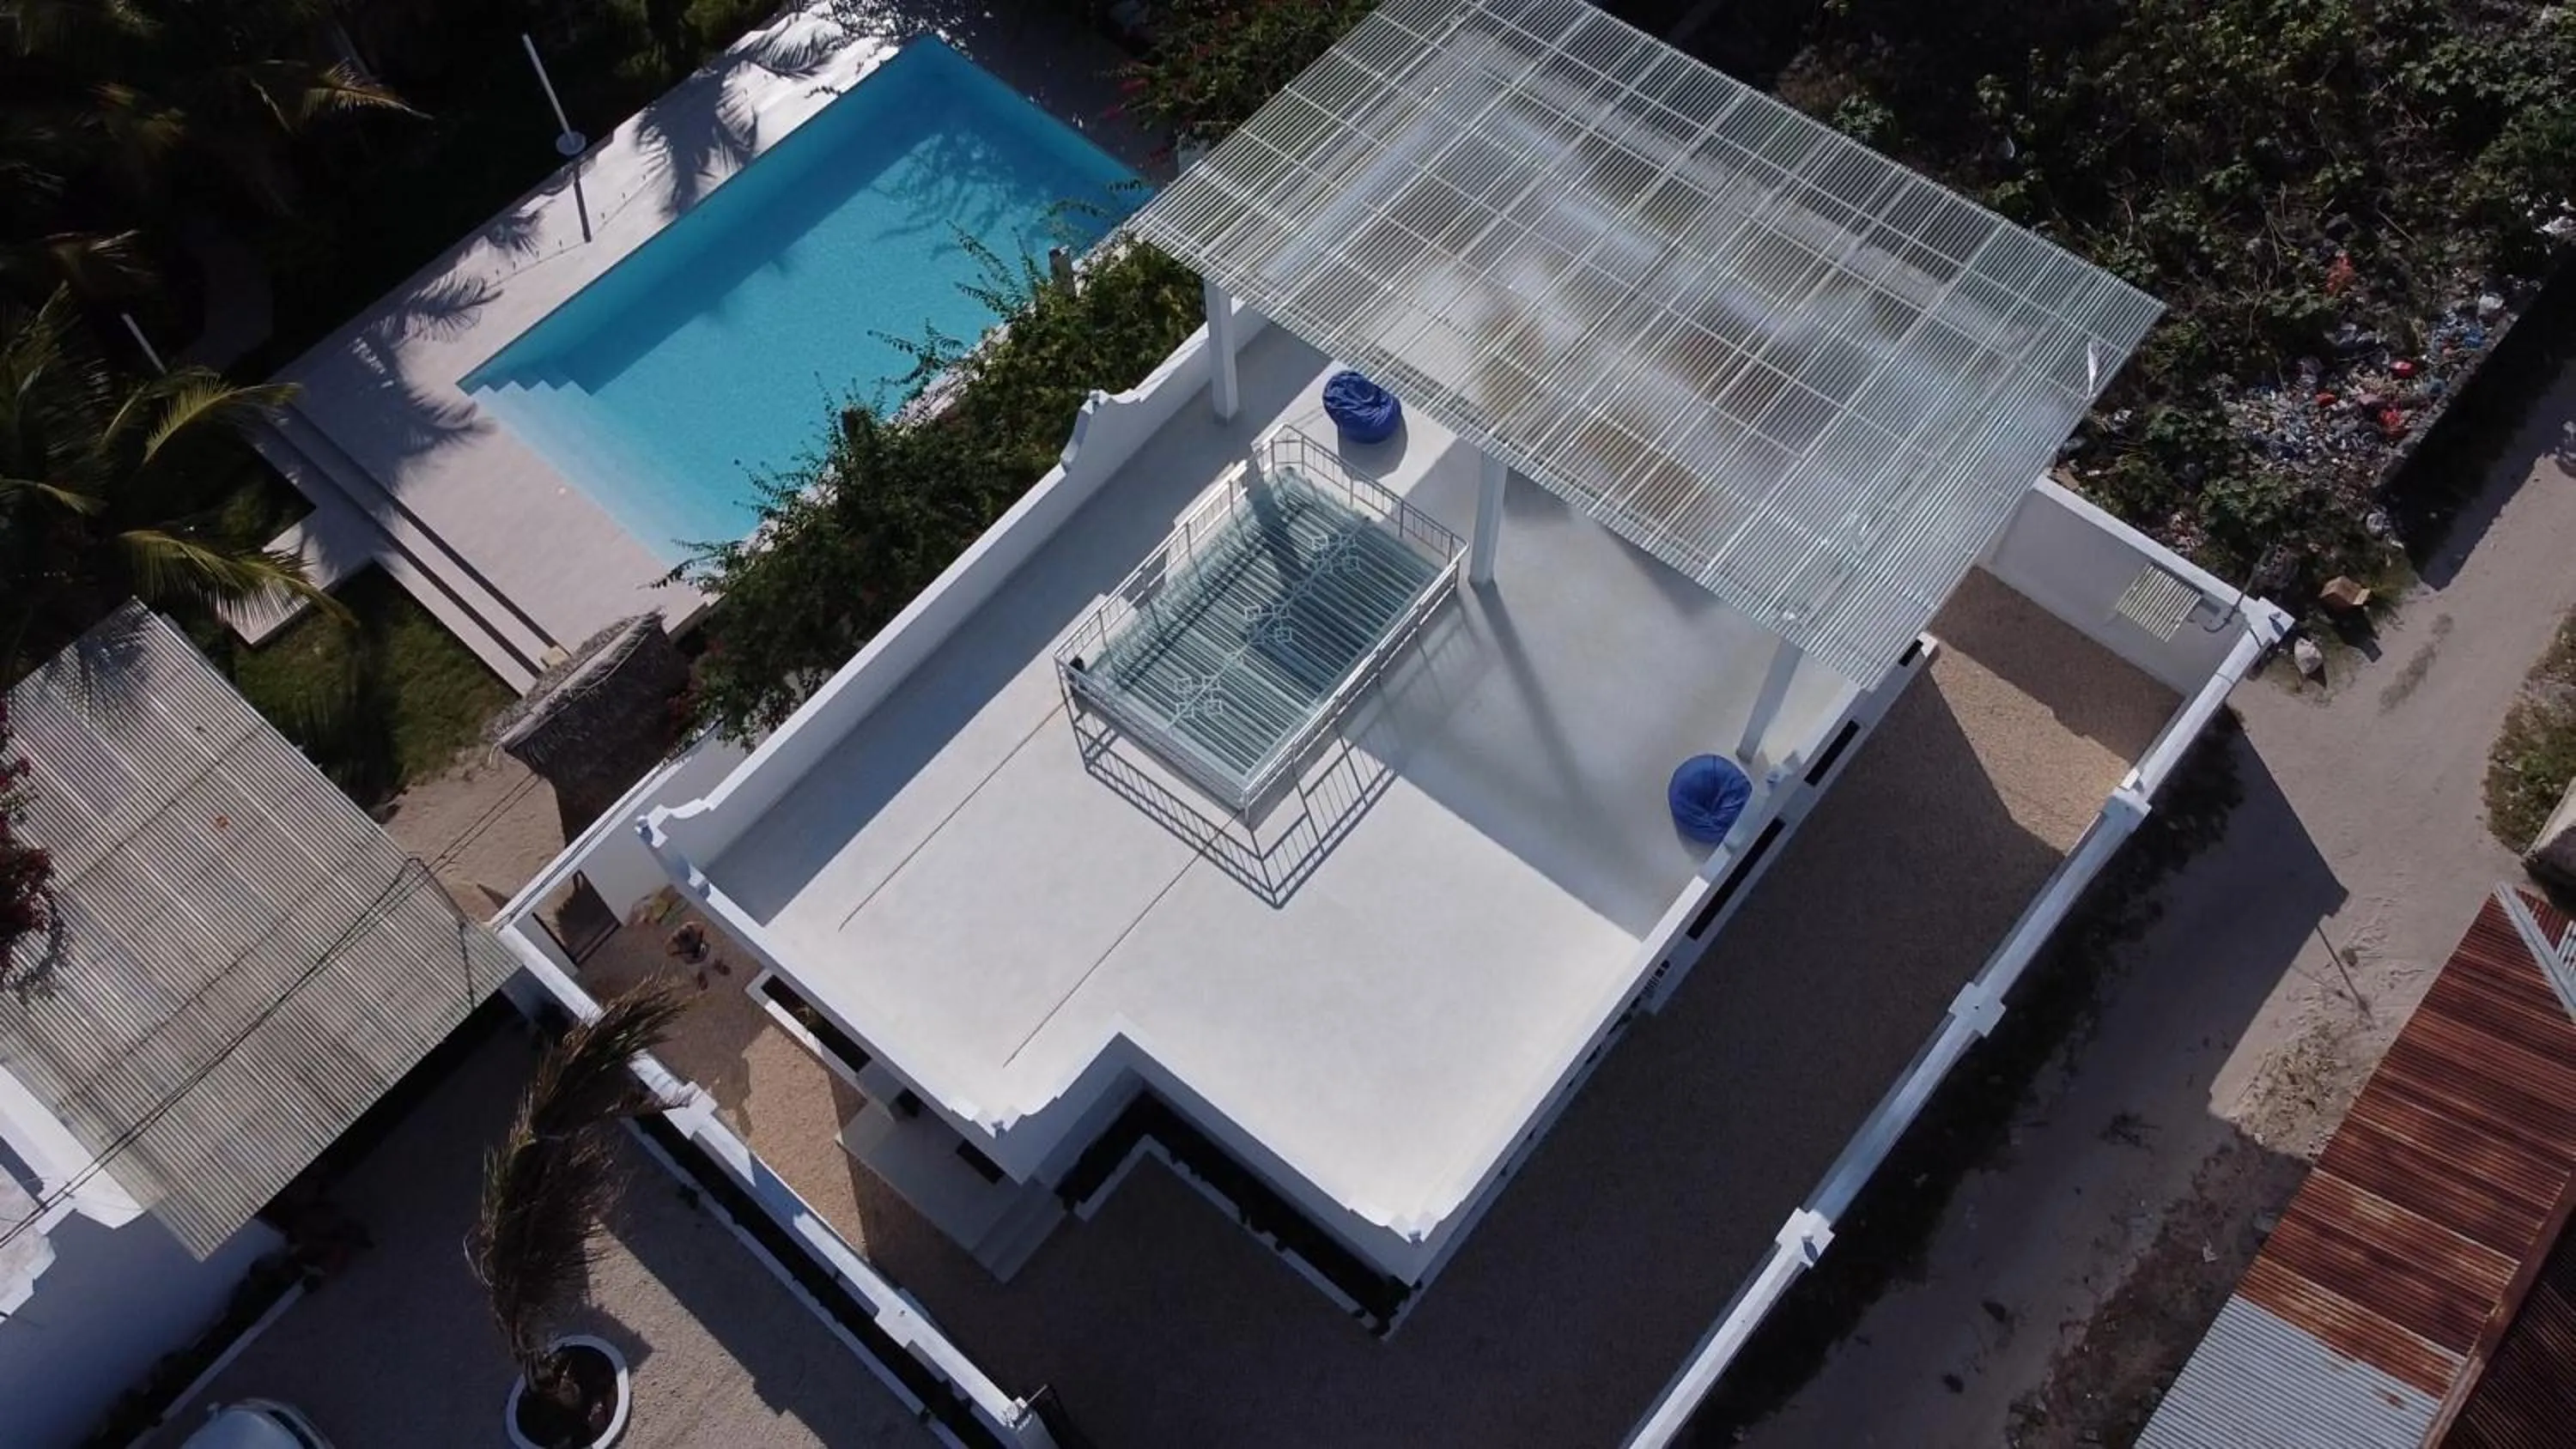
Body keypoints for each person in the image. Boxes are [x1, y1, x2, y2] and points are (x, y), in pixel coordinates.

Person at [666, 919, 730, 989]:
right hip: (692, 961)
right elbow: (668, 951)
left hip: (704, 951)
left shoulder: (690, 928)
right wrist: (678, 954)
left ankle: (717, 965)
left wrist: (701, 936)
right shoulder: (675, 940)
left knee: (712, 959)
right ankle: (701, 978)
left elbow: (702, 926)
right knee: (695, 971)